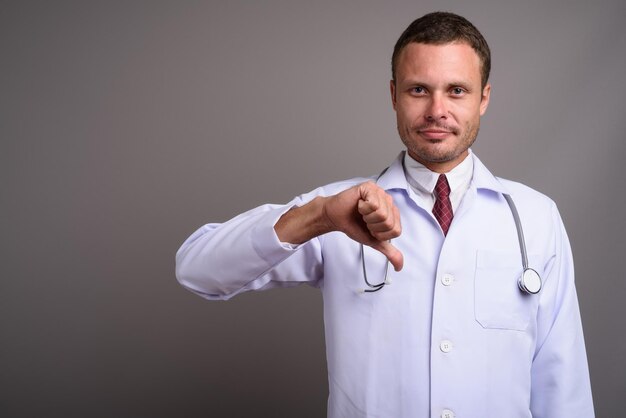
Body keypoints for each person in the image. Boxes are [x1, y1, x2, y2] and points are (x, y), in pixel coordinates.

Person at [175, 11, 594, 418]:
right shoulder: (338, 209)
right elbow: (197, 269)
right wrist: (318, 217)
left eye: (457, 90)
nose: (436, 110)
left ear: (484, 97)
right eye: (418, 90)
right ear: (393, 95)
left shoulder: (536, 219)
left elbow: (563, 386)